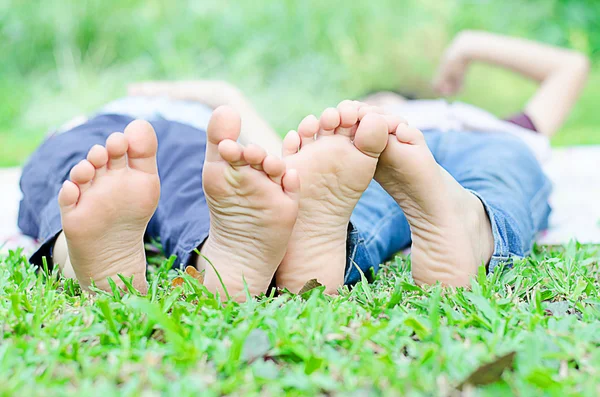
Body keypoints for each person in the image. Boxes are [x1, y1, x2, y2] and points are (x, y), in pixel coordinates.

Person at [18, 31, 589, 300]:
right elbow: (268, 165)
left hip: (466, 160)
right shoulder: (352, 147)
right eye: (378, 112)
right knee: (342, 198)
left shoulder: (501, 126)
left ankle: (463, 218)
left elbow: (572, 67)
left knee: (499, 173)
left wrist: (465, 45)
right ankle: (312, 250)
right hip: (376, 172)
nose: (387, 119)